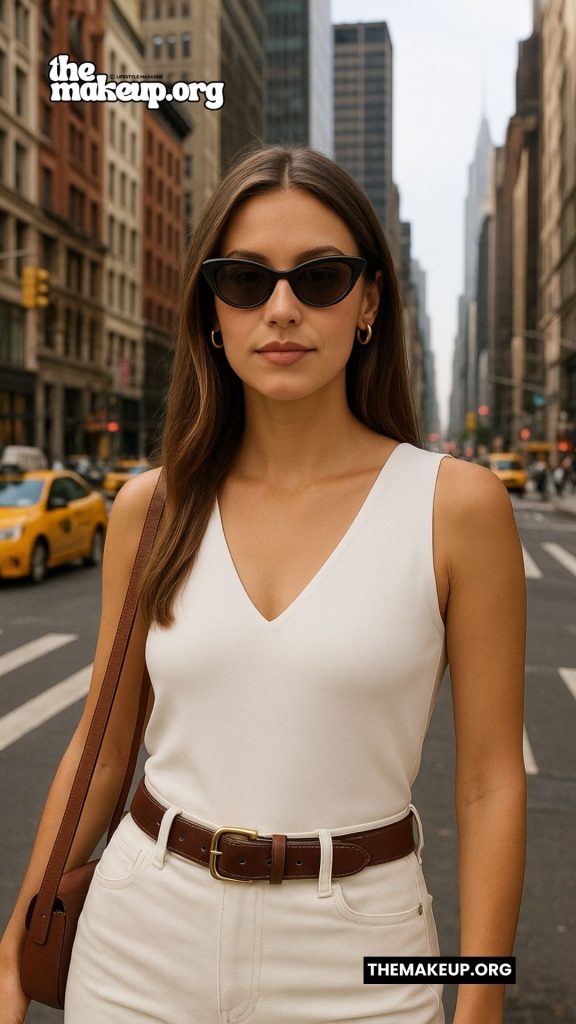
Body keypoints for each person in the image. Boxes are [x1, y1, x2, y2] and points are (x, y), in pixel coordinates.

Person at [0, 144, 527, 1024]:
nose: (281, 308)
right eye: (245, 280)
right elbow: (100, 745)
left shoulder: (454, 506)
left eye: (319, 276)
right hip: (136, 937)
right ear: (212, 312)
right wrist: (20, 936)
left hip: (366, 956)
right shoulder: (151, 507)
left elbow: (489, 784)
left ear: (367, 303)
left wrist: (481, 1007)